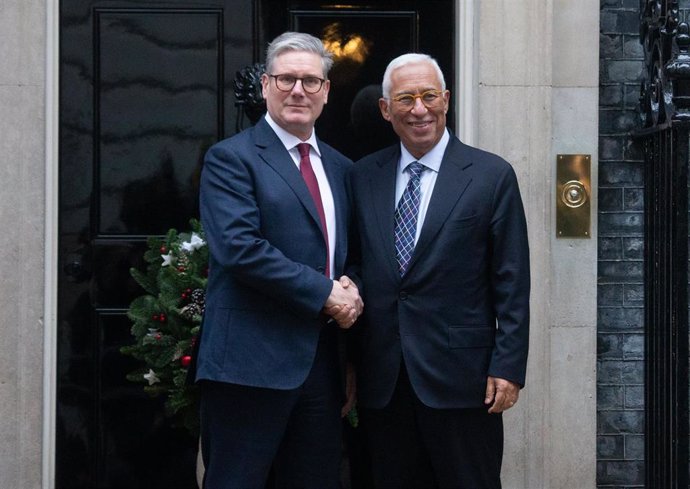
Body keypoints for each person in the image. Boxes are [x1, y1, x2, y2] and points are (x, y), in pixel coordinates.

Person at [347, 53, 530, 489]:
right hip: (385, 379)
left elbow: (512, 278)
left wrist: (508, 366)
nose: (419, 109)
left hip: (464, 380)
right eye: (406, 98)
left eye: (429, 96)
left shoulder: (490, 175)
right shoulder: (361, 176)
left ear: (446, 100)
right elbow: (355, 260)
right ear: (386, 109)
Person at [195, 31, 362, 489]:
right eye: (287, 79)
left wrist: (354, 293)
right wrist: (326, 292)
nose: (298, 91)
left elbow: (355, 257)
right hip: (248, 366)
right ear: (266, 85)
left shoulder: (343, 169)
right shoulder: (232, 159)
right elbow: (239, 248)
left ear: (326, 92)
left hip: (322, 368)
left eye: (310, 81)